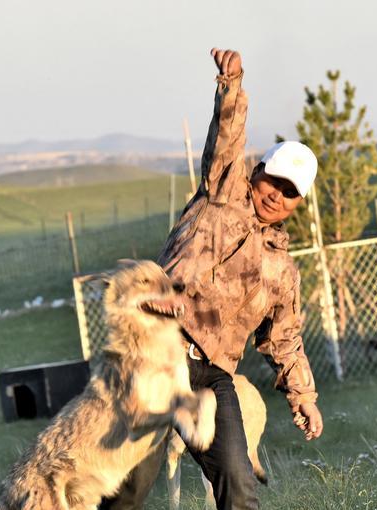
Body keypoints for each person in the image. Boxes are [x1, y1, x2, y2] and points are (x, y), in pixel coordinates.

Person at [101, 48, 323, 510]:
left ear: (298, 202)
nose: (276, 196)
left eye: (290, 193)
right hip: (156, 350)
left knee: (239, 487)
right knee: (125, 488)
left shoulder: (282, 270)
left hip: (211, 374)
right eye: (273, 182)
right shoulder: (221, 194)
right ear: (258, 171)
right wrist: (232, 85)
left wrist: (303, 395)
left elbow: (284, 339)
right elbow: (226, 137)